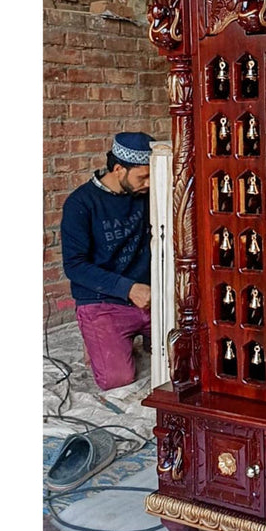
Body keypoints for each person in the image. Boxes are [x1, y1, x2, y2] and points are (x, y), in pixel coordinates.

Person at [61, 132, 154, 389]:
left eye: (151, 176)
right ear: (118, 169)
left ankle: (136, 338)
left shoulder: (146, 196)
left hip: (149, 298)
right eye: (142, 177)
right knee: (118, 379)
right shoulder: (80, 204)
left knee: (186, 358)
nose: (148, 183)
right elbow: (75, 266)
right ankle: (97, 336)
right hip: (102, 301)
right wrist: (129, 289)